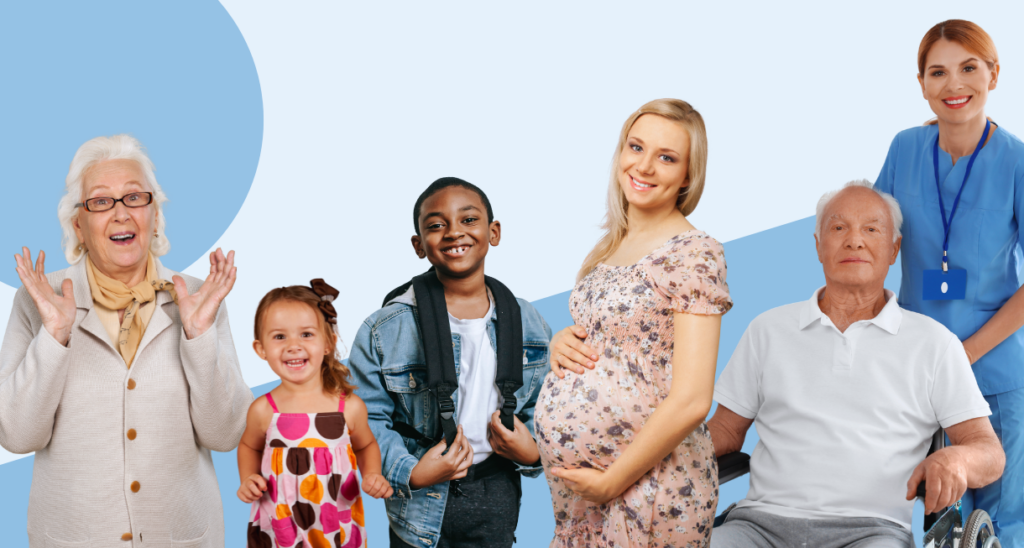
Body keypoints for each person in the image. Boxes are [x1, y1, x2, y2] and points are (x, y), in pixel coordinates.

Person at [707, 181, 1005, 548]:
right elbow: (725, 429)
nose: (854, 241)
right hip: (758, 526)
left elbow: (989, 452)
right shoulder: (768, 329)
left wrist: (957, 460)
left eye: (871, 229)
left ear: (894, 248)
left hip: (872, 532)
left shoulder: (934, 343)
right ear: (818, 245)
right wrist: (664, 454)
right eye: (838, 228)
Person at [0, 134, 253, 546]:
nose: (120, 213)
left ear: (154, 216)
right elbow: (17, 435)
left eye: (134, 197)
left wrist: (199, 335)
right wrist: (54, 337)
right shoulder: (39, 298)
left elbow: (225, 435)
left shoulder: (198, 296)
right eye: (101, 201)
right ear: (78, 226)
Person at [537, 98, 732, 547]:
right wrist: (561, 344)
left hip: (652, 488)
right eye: (635, 147)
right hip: (581, 499)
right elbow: (614, 341)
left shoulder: (695, 253)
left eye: (666, 157)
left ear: (688, 175)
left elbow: (692, 399)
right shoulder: (610, 247)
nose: (643, 166)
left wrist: (612, 481)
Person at [873, 19, 1024, 542]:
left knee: (1001, 517)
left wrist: (967, 352)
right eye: (937, 72)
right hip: (914, 366)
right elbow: (875, 242)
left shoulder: (1018, 162)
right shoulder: (905, 149)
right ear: (921, 83)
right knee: (931, 507)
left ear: (994, 75)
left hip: (995, 368)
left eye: (968, 68)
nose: (953, 84)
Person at [348, 177, 553, 548]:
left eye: (468, 220)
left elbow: (548, 407)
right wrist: (412, 473)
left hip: (497, 488)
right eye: (436, 225)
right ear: (418, 245)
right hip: (419, 494)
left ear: (494, 232)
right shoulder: (383, 329)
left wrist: (534, 451)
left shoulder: (530, 322)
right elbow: (364, 418)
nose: (453, 232)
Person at [238, 280, 391, 548]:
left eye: (306, 334)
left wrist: (373, 474)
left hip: (336, 523)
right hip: (279, 525)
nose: (293, 345)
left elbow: (366, 445)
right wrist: (249, 477)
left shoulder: (349, 407)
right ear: (260, 348)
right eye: (279, 336)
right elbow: (249, 446)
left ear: (328, 343)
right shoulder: (263, 409)